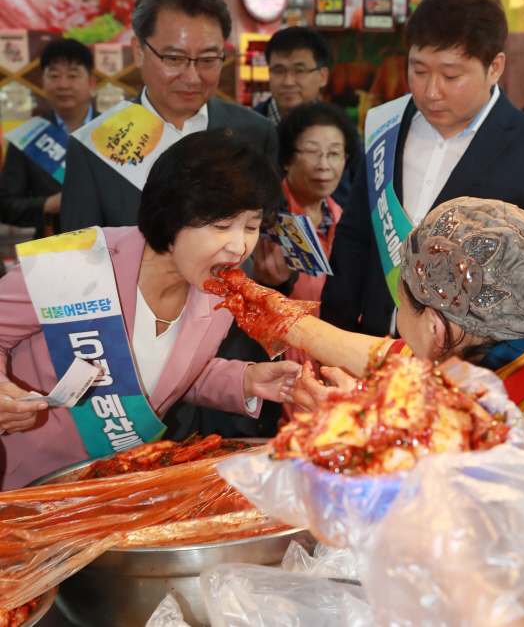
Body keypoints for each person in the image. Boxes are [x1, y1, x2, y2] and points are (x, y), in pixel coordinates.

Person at [0, 130, 300, 491]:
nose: (239, 246)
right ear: (173, 214)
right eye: (222, 226)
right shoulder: (77, 263)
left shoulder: (217, 294)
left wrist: (245, 381)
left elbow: (169, 373)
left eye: (251, 227)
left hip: (115, 487)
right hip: (23, 484)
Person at [208, 197, 524, 439]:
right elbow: (395, 357)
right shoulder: (498, 340)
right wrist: (290, 324)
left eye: (402, 300)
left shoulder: (504, 420)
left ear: (437, 329)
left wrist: (357, 424)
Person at [321, 0, 524, 338]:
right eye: (419, 70)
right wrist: (332, 331)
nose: (430, 91)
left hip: (472, 363)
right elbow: (356, 235)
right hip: (373, 343)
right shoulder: (386, 124)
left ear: (495, 67)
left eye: (451, 76)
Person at [59, 0, 278, 232]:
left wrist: (279, 271)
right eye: (174, 58)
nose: (192, 77)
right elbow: (78, 258)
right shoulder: (93, 146)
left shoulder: (256, 133)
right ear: (139, 51)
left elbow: (270, 238)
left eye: (208, 60)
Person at [266, 102, 357, 422]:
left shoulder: (347, 222)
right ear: (288, 158)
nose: (324, 165)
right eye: (312, 151)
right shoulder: (266, 220)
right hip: (281, 372)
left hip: (332, 365)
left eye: (334, 154)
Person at [254, 26, 361, 210]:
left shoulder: (341, 130)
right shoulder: (247, 128)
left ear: (323, 76)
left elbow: (361, 195)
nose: (288, 81)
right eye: (279, 70)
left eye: (299, 71)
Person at [0, 39, 97, 239]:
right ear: (43, 84)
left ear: (91, 83)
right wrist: (48, 204)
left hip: (112, 249)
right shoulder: (28, 136)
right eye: (54, 76)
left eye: (72, 75)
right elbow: (5, 206)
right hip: (52, 250)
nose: (63, 84)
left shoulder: (115, 129)